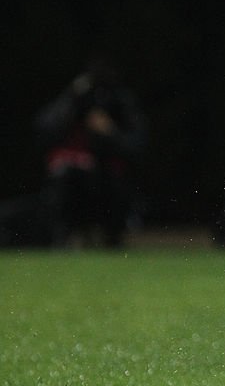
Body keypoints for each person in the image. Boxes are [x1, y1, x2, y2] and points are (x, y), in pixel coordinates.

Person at [34, 57, 145, 248]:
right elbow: (43, 128)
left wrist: (110, 132)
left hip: (109, 172)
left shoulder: (120, 101)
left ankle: (112, 239)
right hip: (74, 175)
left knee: (113, 187)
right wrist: (71, 96)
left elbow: (136, 144)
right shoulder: (73, 99)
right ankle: (61, 239)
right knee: (62, 180)